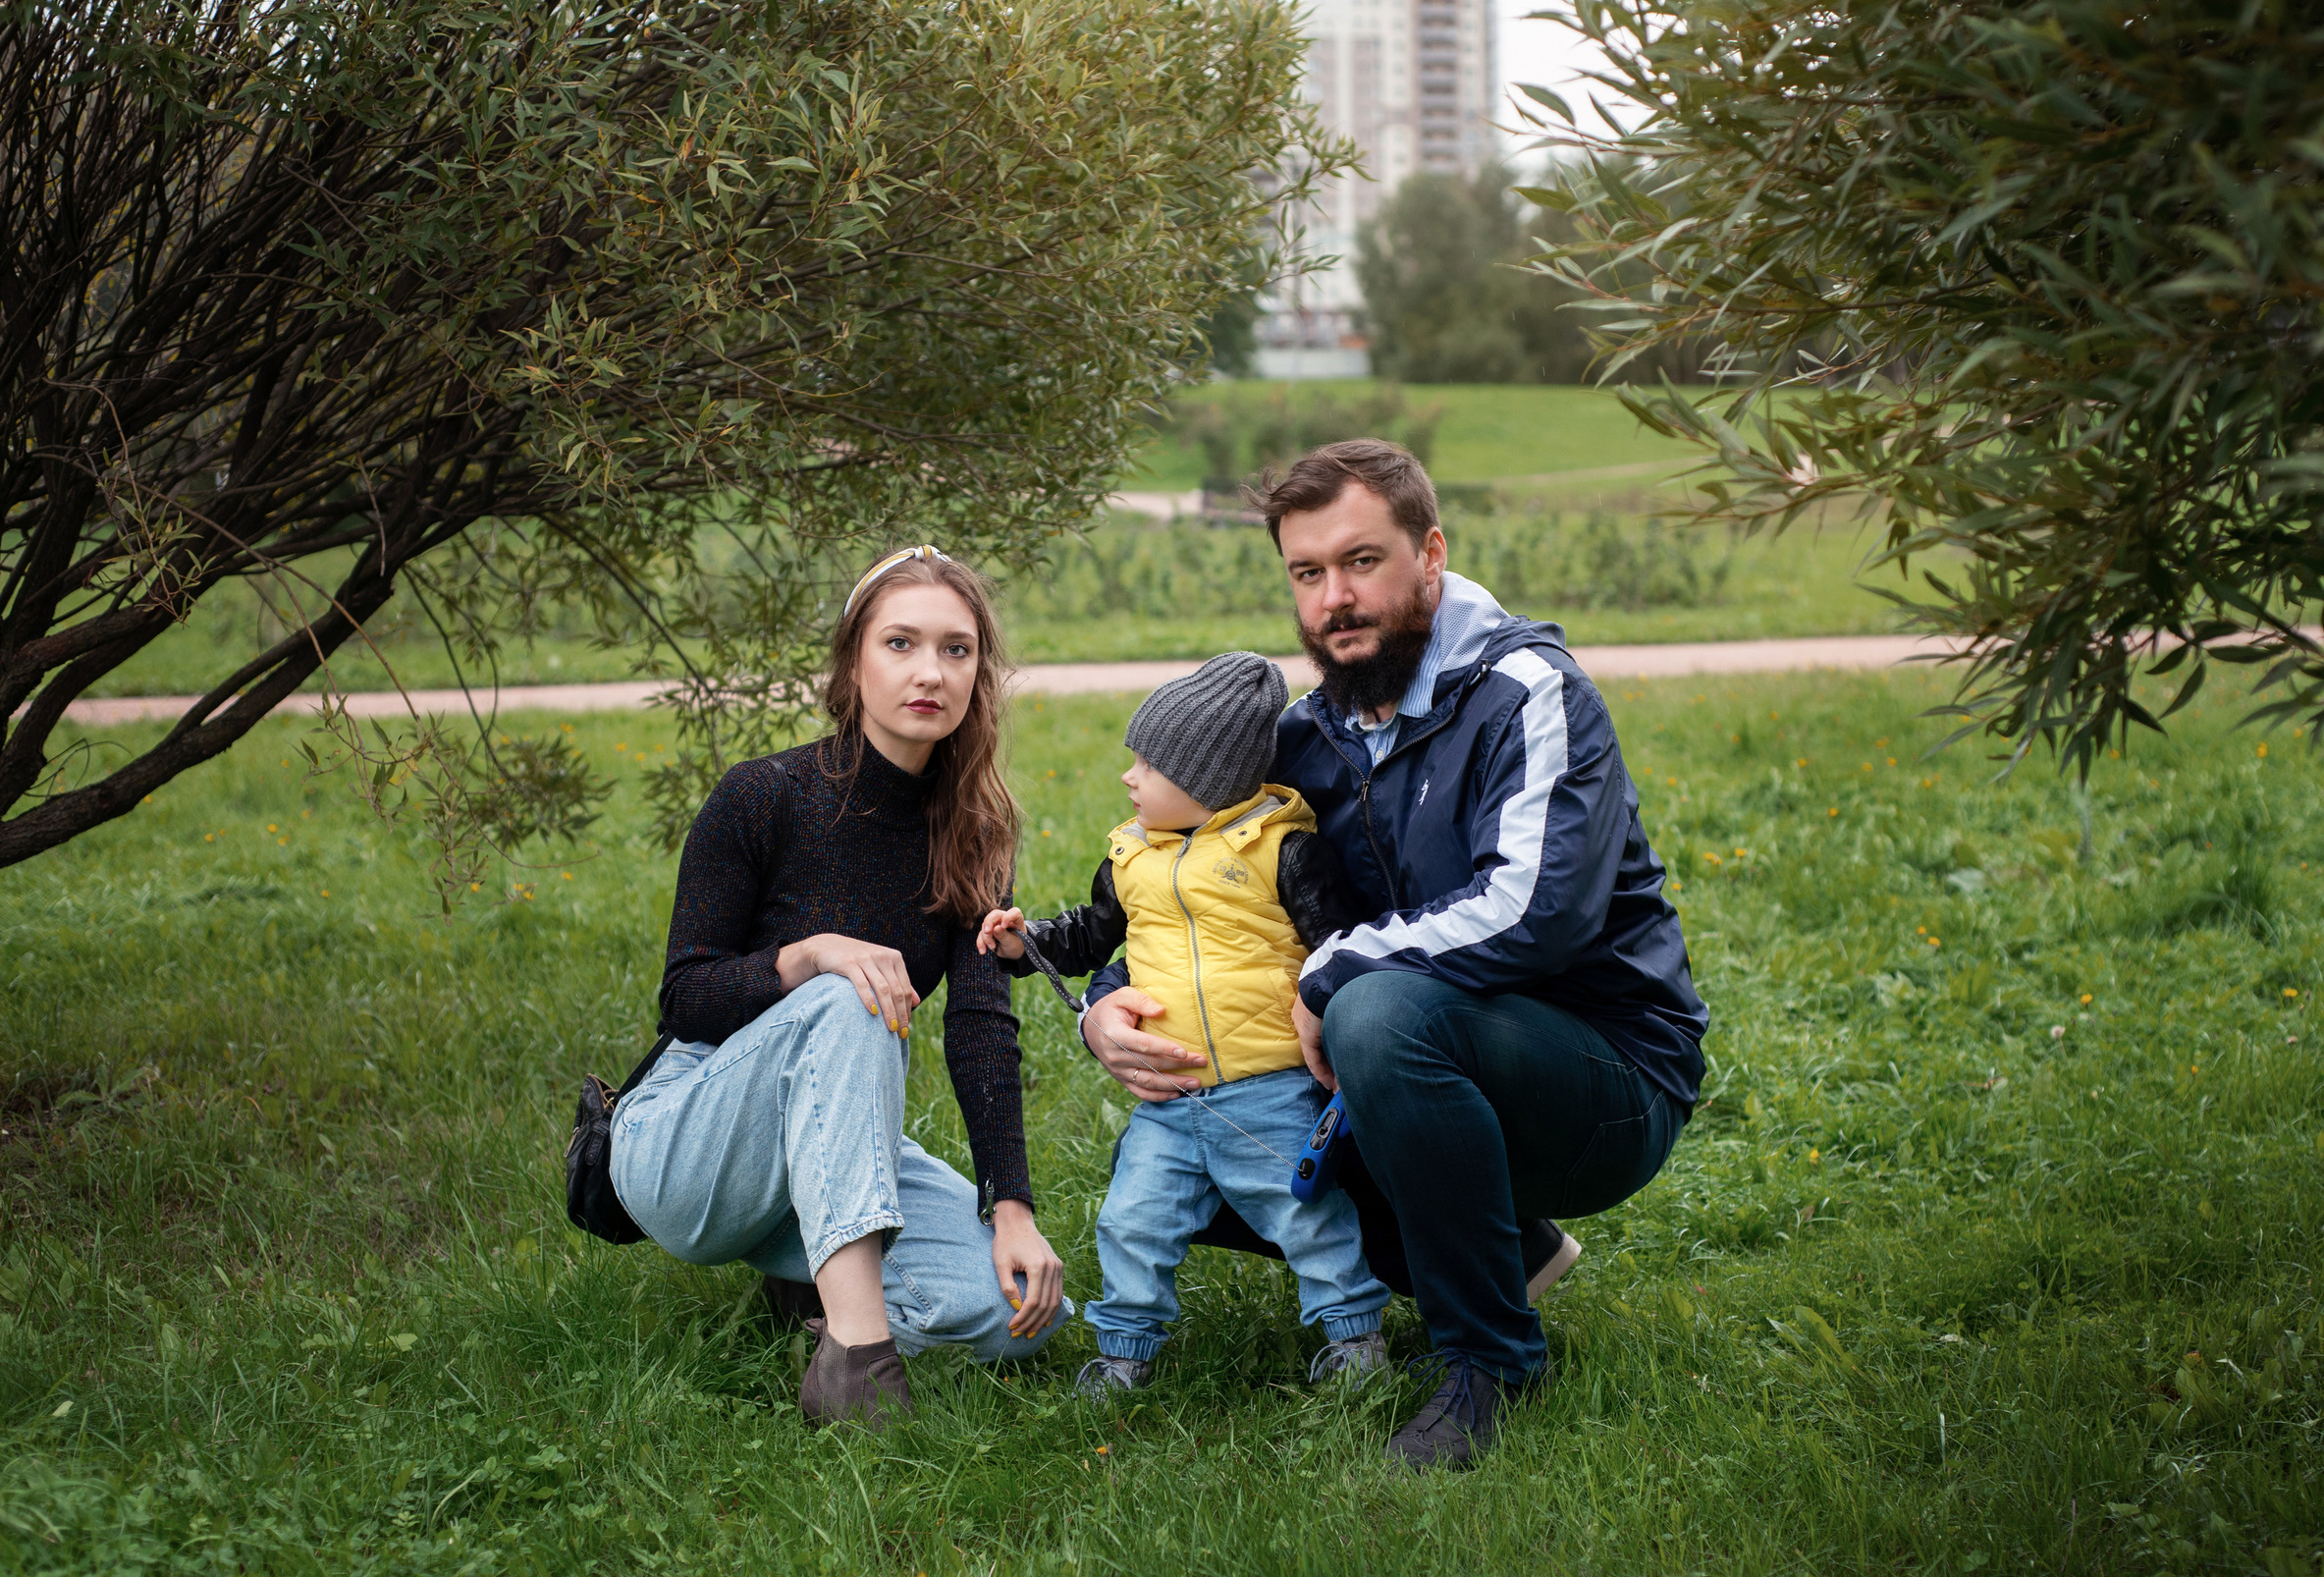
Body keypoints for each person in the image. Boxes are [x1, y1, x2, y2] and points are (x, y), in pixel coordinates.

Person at [1081, 443, 1710, 1468]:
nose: (1336, 597)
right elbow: (1188, 893)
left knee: (1376, 1012)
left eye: (1361, 560)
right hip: (1431, 1062)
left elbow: (1534, 909)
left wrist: (1335, 973)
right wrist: (1105, 1004)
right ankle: (1502, 1244)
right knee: (1187, 1141)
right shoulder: (1301, 743)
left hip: (1603, 1072)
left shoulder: (1528, 692)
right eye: (1307, 573)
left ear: (1430, 554)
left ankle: (1488, 1358)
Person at [609, 546, 1073, 1432]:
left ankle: (808, 1288)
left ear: (981, 671)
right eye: (900, 643)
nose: (929, 672)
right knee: (849, 988)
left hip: (829, 1145)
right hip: (684, 1144)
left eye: (957, 649)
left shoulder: (975, 833)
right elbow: (686, 999)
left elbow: (980, 1026)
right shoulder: (762, 795)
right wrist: (809, 954)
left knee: (1014, 1318)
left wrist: (1010, 1209)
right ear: (853, 658)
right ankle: (858, 1369)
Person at [975, 653, 1390, 1399]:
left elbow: (1338, 940)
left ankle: (1355, 1336)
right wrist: (1023, 940)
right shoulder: (1130, 856)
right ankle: (1123, 1351)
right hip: (1168, 1101)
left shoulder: (1282, 848)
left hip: (1266, 1089)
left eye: (1148, 764)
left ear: (1205, 780)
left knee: (1309, 1219)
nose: (1129, 777)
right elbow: (1090, 935)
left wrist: (1324, 1000)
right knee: (1132, 1220)